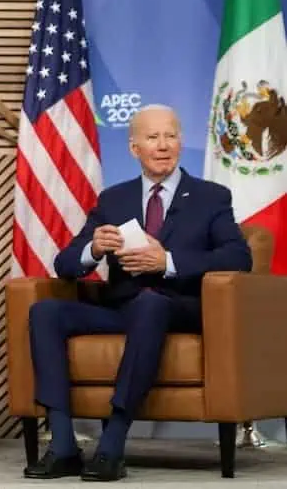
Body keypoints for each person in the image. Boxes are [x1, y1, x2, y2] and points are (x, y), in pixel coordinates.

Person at [23, 104, 252, 482]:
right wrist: (93, 248)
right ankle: (63, 444)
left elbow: (238, 257)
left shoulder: (212, 197)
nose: (163, 146)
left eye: (171, 136)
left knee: (151, 303)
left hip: (180, 308)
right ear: (134, 148)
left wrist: (168, 262)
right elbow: (65, 265)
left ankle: (112, 442)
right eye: (152, 137)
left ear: (180, 142)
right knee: (46, 312)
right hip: (123, 308)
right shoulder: (113, 199)